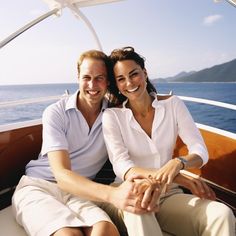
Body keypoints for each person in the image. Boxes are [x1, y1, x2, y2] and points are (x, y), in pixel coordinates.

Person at [12, 49, 160, 236]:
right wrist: (113, 195)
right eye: (86, 77)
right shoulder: (56, 113)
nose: (92, 84)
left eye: (99, 78)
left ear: (108, 82)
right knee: (68, 235)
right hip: (39, 187)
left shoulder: (114, 116)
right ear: (78, 78)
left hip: (81, 192)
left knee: (106, 231)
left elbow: (144, 108)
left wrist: (164, 175)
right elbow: (62, 175)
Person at [102, 46, 235, 236]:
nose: (129, 83)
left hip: (168, 194)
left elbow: (199, 150)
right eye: (121, 79)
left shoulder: (173, 104)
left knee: (221, 214)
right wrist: (174, 176)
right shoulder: (112, 116)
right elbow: (122, 166)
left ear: (145, 73)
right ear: (117, 85)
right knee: (140, 210)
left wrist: (178, 162)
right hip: (131, 191)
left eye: (134, 74)